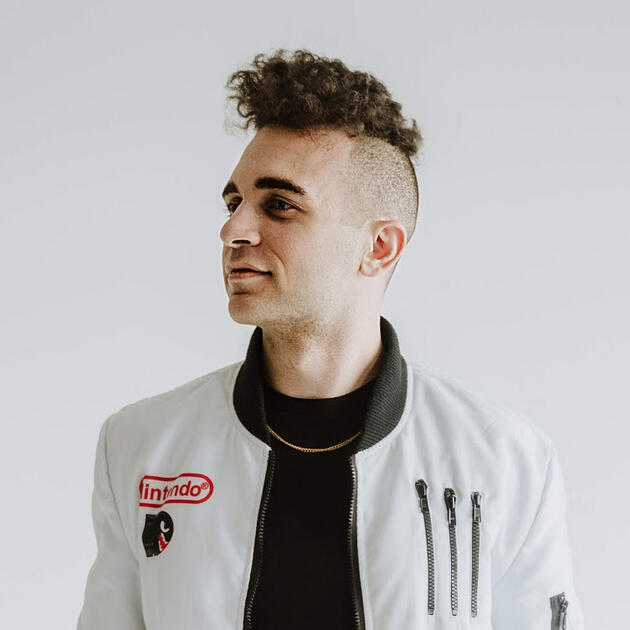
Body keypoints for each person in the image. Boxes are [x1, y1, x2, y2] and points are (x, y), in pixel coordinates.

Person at [77, 48, 584, 630]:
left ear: (378, 248)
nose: (233, 229)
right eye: (234, 202)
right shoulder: (140, 445)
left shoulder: (506, 461)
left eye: (279, 205)